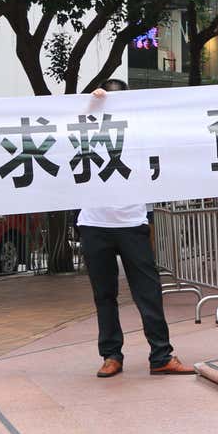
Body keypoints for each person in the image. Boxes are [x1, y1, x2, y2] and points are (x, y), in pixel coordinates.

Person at [81, 79, 193, 378]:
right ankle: (111, 355)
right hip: (94, 224)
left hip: (132, 223)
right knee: (104, 295)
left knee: (148, 291)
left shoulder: (140, 130)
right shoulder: (87, 127)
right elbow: (68, 129)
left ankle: (161, 354)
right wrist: (92, 104)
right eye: (110, 100)